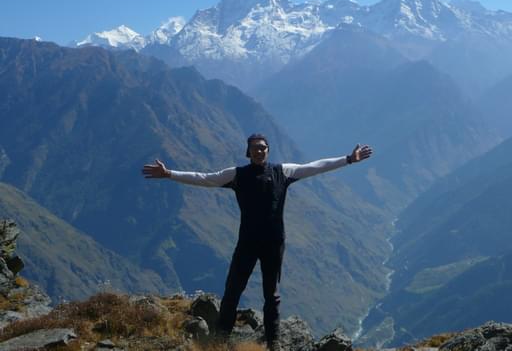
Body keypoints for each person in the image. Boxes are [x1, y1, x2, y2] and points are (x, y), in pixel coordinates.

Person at [142, 133, 372, 350]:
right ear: (248, 152)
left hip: (273, 244)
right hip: (248, 244)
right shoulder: (236, 175)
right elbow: (205, 179)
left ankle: (274, 344)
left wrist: (349, 159)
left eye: (262, 148)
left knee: (271, 296)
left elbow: (314, 167)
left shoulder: (283, 171)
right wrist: (169, 173)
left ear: (268, 150)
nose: (259, 151)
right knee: (233, 290)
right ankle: (221, 340)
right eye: (255, 148)